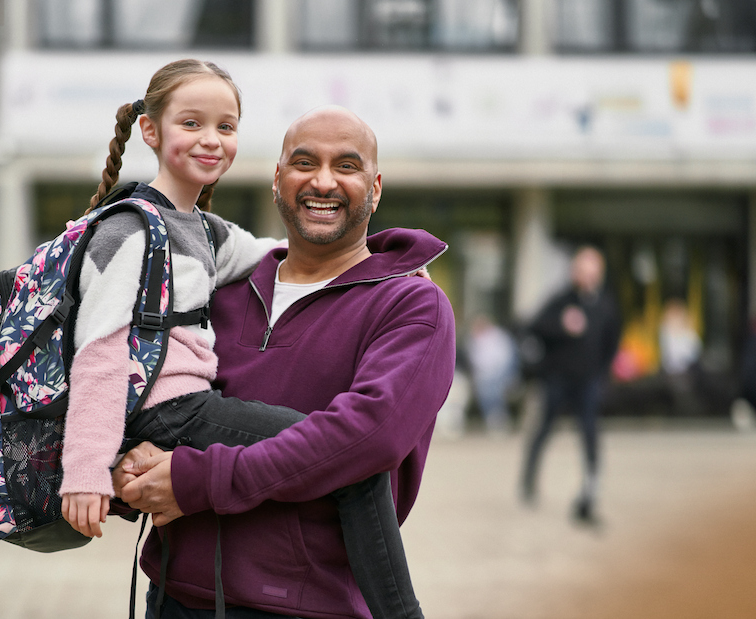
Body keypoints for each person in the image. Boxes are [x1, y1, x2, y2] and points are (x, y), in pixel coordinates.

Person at [60, 60, 429, 618]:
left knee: (358, 466)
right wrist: (96, 470)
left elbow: (270, 253)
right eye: (305, 163)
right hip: (177, 567)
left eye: (226, 127)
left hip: (307, 605)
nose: (323, 181)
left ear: (375, 188)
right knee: (351, 471)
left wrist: (389, 265)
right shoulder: (141, 238)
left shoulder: (206, 236)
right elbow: (102, 356)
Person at [520, 246, 622, 526]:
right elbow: (533, 326)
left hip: (588, 381)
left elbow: (611, 343)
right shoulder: (561, 300)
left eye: (593, 272)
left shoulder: (605, 304)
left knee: (590, 434)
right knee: (544, 428)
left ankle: (591, 488)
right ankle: (529, 480)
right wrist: (561, 324)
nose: (588, 277)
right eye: (583, 270)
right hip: (557, 379)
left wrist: (602, 375)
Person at [466, 314, 519, 435]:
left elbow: (507, 359)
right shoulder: (474, 340)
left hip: (501, 373)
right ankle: (493, 419)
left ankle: (499, 419)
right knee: (484, 389)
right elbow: (475, 361)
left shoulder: (499, 336)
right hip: (484, 375)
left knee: (493, 389)